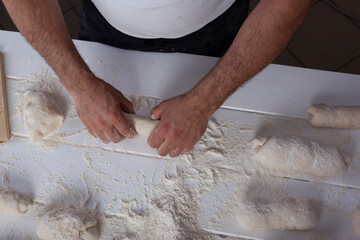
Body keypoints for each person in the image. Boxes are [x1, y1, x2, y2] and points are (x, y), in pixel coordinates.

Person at [2, 0, 311, 157]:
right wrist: (80, 85)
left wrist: (203, 103)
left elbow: (288, 3)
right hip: (106, 24)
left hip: (217, 27)